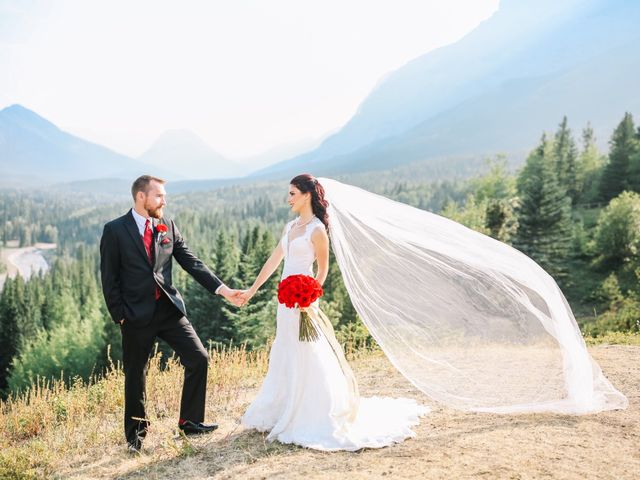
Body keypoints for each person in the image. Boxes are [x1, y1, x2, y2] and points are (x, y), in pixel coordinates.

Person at [237, 174, 428, 451]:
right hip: (284, 301)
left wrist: (310, 295)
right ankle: (283, 406)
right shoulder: (290, 227)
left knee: (308, 351)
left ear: (306, 196)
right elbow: (274, 260)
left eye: (292, 194)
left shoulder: (317, 230)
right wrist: (252, 290)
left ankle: (313, 411)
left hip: (303, 302)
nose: (287, 199)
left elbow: (323, 270)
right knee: (286, 348)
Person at [100, 175, 243, 453]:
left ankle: (190, 422)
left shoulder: (168, 227)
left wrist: (223, 290)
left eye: (164, 196)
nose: (164, 201)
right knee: (136, 375)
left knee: (198, 357)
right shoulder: (115, 230)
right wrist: (120, 315)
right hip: (135, 316)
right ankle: (136, 438)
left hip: (168, 310)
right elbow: (109, 277)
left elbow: (192, 263)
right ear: (141, 197)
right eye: (158, 196)